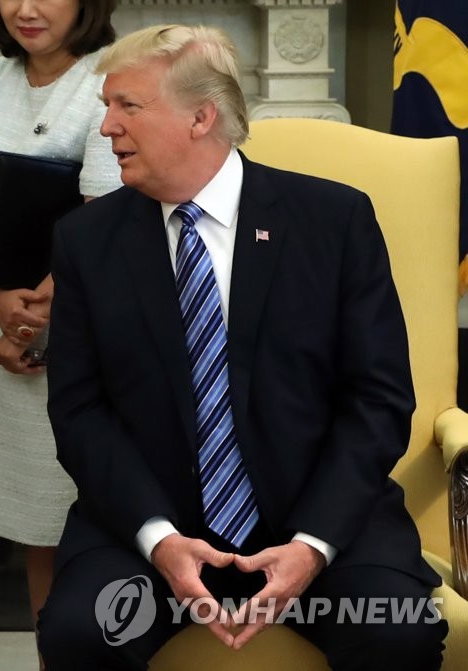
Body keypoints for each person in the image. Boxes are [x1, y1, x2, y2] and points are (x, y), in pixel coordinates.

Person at [37, 24, 448, 670]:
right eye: (106, 106)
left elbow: (379, 399)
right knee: (81, 632)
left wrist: (311, 546)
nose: (107, 126)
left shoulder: (334, 222)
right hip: (151, 530)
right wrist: (160, 540)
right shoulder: (86, 241)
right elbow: (79, 411)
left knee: (398, 631)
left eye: (127, 106)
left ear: (201, 117)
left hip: (319, 520)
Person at [0, 0, 118, 647]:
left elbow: (100, 222)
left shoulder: (111, 76)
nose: (25, 9)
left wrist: (25, 324)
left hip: (83, 322)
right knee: (36, 526)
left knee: (92, 518)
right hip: (3, 320)